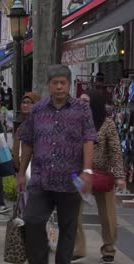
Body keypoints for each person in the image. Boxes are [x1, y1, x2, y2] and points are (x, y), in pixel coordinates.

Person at [18, 65, 97, 264]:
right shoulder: (37, 110)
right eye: (55, 83)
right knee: (32, 220)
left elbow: (89, 139)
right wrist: (21, 173)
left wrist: (87, 171)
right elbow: (28, 141)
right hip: (41, 179)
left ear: (69, 85)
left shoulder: (82, 109)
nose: (59, 87)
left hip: (70, 179)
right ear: (49, 86)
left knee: (68, 229)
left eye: (63, 83)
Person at [72, 89, 125, 264]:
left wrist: (119, 176)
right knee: (73, 213)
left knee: (108, 216)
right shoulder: (75, 122)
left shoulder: (107, 124)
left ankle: (109, 248)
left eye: (86, 101)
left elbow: (116, 151)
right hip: (80, 174)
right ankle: (79, 248)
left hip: (102, 174)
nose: (82, 105)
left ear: (94, 103)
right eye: (80, 101)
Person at [12, 92, 41, 173]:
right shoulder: (21, 126)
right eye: (23, 102)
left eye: (29, 103)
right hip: (21, 170)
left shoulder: (40, 126)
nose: (25, 105)